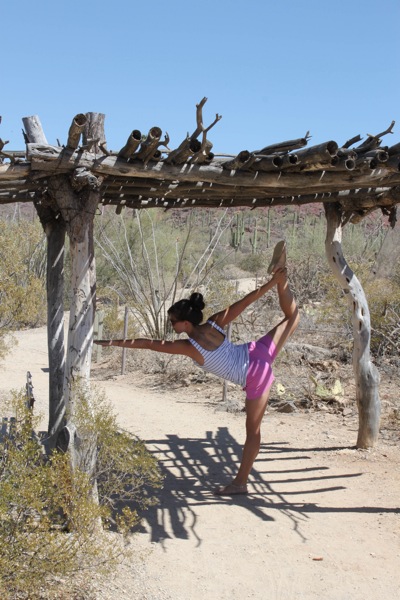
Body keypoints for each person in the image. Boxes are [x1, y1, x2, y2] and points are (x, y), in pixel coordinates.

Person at [94, 241, 299, 495]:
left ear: (184, 323)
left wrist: (110, 341)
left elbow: (148, 344)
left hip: (255, 374)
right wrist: (270, 285)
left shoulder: (189, 347)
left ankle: (240, 483)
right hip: (255, 352)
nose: (171, 326)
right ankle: (282, 279)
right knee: (293, 317)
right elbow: (246, 302)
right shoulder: (215, 322)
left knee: (253, 431)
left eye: (173, 322)